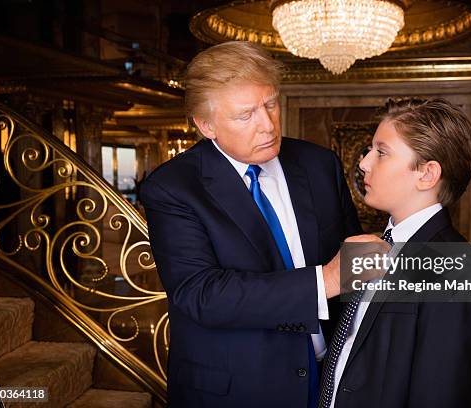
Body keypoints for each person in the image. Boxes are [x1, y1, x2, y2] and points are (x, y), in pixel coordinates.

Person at [139, 41, 380, 407]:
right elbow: (202, 294)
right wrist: (327, 279)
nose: (267, 125)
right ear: (206, 125)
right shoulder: (172, 188)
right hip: (236, 390)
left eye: (270, 104)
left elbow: (353, 270)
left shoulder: (319, 164)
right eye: (245, 114)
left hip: (334, 376)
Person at [319, 98, 471, 408]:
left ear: (426, 174)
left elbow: (442, 393)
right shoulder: (372, 243)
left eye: (381, 152)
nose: (364, 162)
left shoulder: (452, 267)